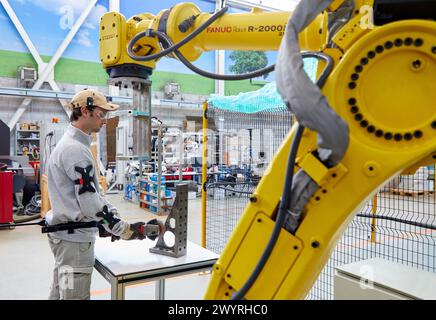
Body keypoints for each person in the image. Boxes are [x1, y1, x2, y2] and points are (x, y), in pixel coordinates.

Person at [45, 89, 159, 300]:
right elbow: (90, 204)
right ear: (85, 111)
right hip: (75, 244)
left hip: (66, 239)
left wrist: (104, 222)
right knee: (73, 297)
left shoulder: (71, 144)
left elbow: (89, 196)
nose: (105, 120)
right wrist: (121, 229)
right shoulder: (76, 150)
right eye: (101, 113)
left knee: (61, 291)